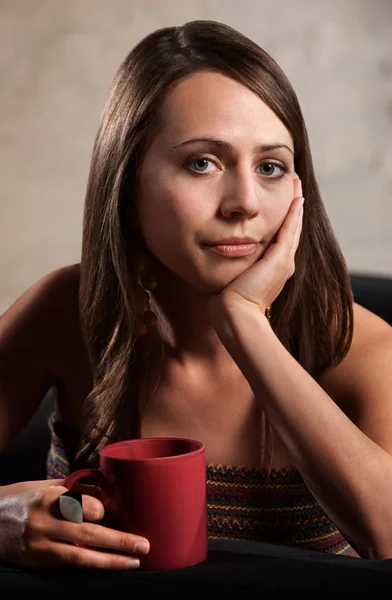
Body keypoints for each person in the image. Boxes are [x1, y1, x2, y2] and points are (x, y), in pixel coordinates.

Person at [1, 19, 392, 571]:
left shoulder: (364, 347)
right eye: (202, 163)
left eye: (271, 167)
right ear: (129, 187)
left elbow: (390, 539)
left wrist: (245, 323)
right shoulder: (67, 310)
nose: (244, 203)